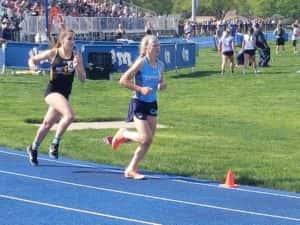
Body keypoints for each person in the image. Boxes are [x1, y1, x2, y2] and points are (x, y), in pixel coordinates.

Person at [26, 29, 86, 166]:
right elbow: (33, 59)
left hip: (64, 95)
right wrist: (32, 67)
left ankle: (33, 147)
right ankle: (55, 143)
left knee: (47, 124)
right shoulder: (54, 53)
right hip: (52, 92)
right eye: (69, 39)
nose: (72, 42)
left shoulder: (76, 56)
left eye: (73, 39)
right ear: (63, 40)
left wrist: (77, 67)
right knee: (69, 116)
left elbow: (83, 79)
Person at [111, 35, 167, 179]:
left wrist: (162, 85)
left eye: (158, 45)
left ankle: (131, 169)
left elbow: (161, 81)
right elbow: (123, 80)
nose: (158, 48)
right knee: (145, 138)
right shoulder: (141, 63)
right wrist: (140, 89)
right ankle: (124, 134)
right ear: (147, 48)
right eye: (155, 45)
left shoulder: (160, 65)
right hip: (139, 103)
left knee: (148, 141)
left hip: (152, 103)